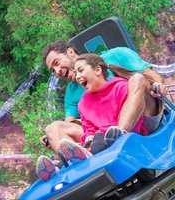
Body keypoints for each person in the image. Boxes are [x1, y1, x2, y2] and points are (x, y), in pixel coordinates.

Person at [36, 53, 152, 181]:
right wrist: (88, 137)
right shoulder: (83, 103)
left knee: (99, 138)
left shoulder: (120, 87)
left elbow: (132, 114)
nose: (78, 76)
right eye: (76, 72)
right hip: (98, 142)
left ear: (97, 70)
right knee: (92, 141)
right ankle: (57, 169)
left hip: (123, 136)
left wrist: (104, 133)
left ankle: (78, 159)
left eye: (80, 71)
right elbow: (88, 129)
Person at [39, 41, 165, 156]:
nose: (57, 71)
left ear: (70, 52)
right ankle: (75, 160)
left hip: (142, 119)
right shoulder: (73, 93)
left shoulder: (117, 56)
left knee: (137, 79)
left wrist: (158, 86)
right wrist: (54, 138)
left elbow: (152, 76)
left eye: (57, 63)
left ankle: (119, 135)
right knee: (53, 129)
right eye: (53, 71)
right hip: (104, 130)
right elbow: (71, 125)